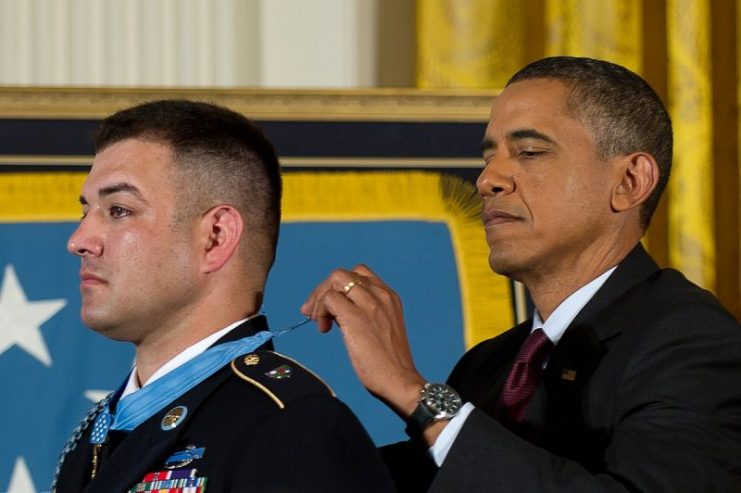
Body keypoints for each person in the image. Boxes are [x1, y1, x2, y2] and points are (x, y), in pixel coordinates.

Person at [301, 56, 741, 492]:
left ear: (630, 181)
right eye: (489, 157)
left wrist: (413, 393)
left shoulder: (692, 340)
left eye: (529, 152)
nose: (488, 180)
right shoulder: (491, 363)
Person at [52, 99, 394, 492]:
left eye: (119, 210)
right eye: (85, 213)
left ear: (215, 237)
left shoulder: (290, 425)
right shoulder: (96, 432)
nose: (79, 241)